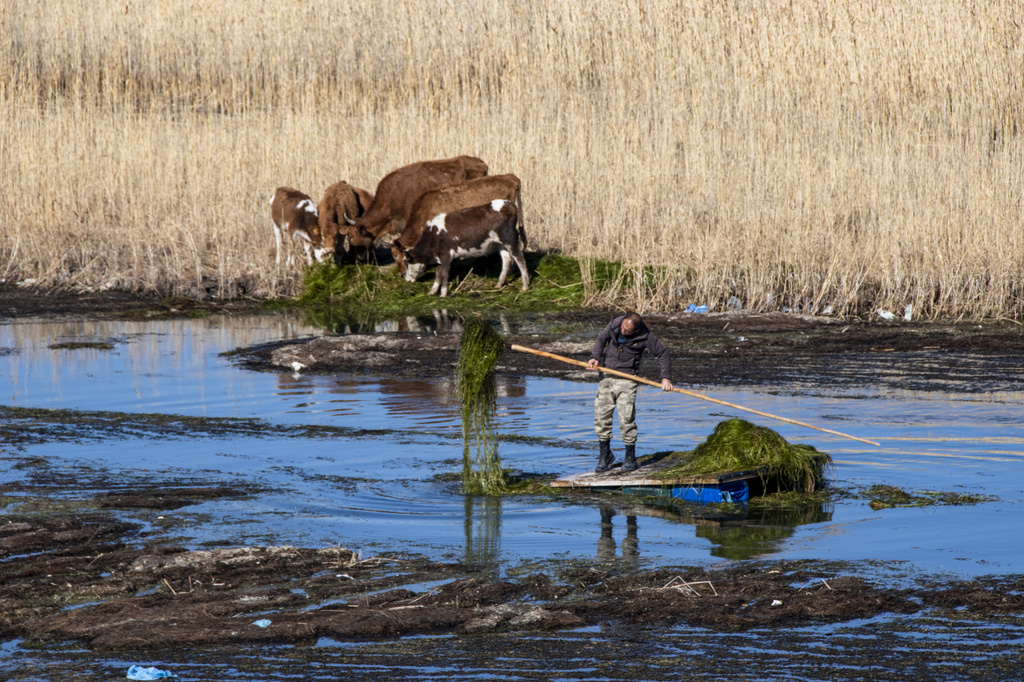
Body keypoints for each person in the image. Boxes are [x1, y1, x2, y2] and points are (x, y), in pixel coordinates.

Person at [586, 312, 673, 472]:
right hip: (606, 375)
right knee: (601, 418)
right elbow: (601, 339)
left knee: (626, 419)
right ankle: (605, 456)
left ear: (636, 330)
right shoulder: (615, 324)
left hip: (627, 379)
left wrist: (665, 378)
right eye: (623, 328)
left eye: (627, 330)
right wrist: (595, 357)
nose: (623, 331)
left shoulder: (646, 336)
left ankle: (630, 459)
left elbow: (663, 353)